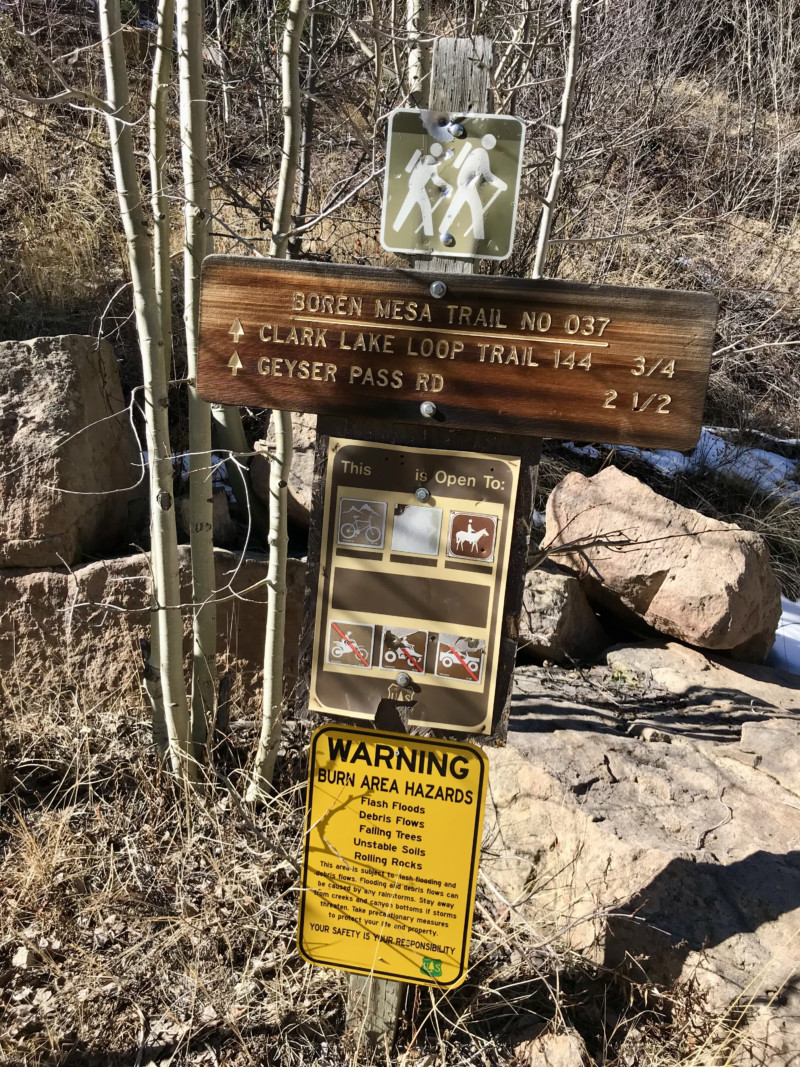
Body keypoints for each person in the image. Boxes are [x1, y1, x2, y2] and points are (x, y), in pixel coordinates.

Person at [439, 134, 507, 241]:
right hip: (467, 185)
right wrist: (502, 185)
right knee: (476, 210)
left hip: (464, 183)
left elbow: (486, 174)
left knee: (456, 206)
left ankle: (442, 229)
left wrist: (501, 184)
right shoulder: (481, 153)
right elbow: (488, 175)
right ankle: (479, 237)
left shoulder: (476, 149)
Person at [393, 143, 450, 237]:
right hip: (415, 186)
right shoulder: (423, 160)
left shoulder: (433, 164)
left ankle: (428, 233)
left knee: (422, 207)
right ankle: (396, 230)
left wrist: (445, 186)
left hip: (419, 188)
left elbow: (436, 179)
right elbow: (410, 169)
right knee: (411, 207)